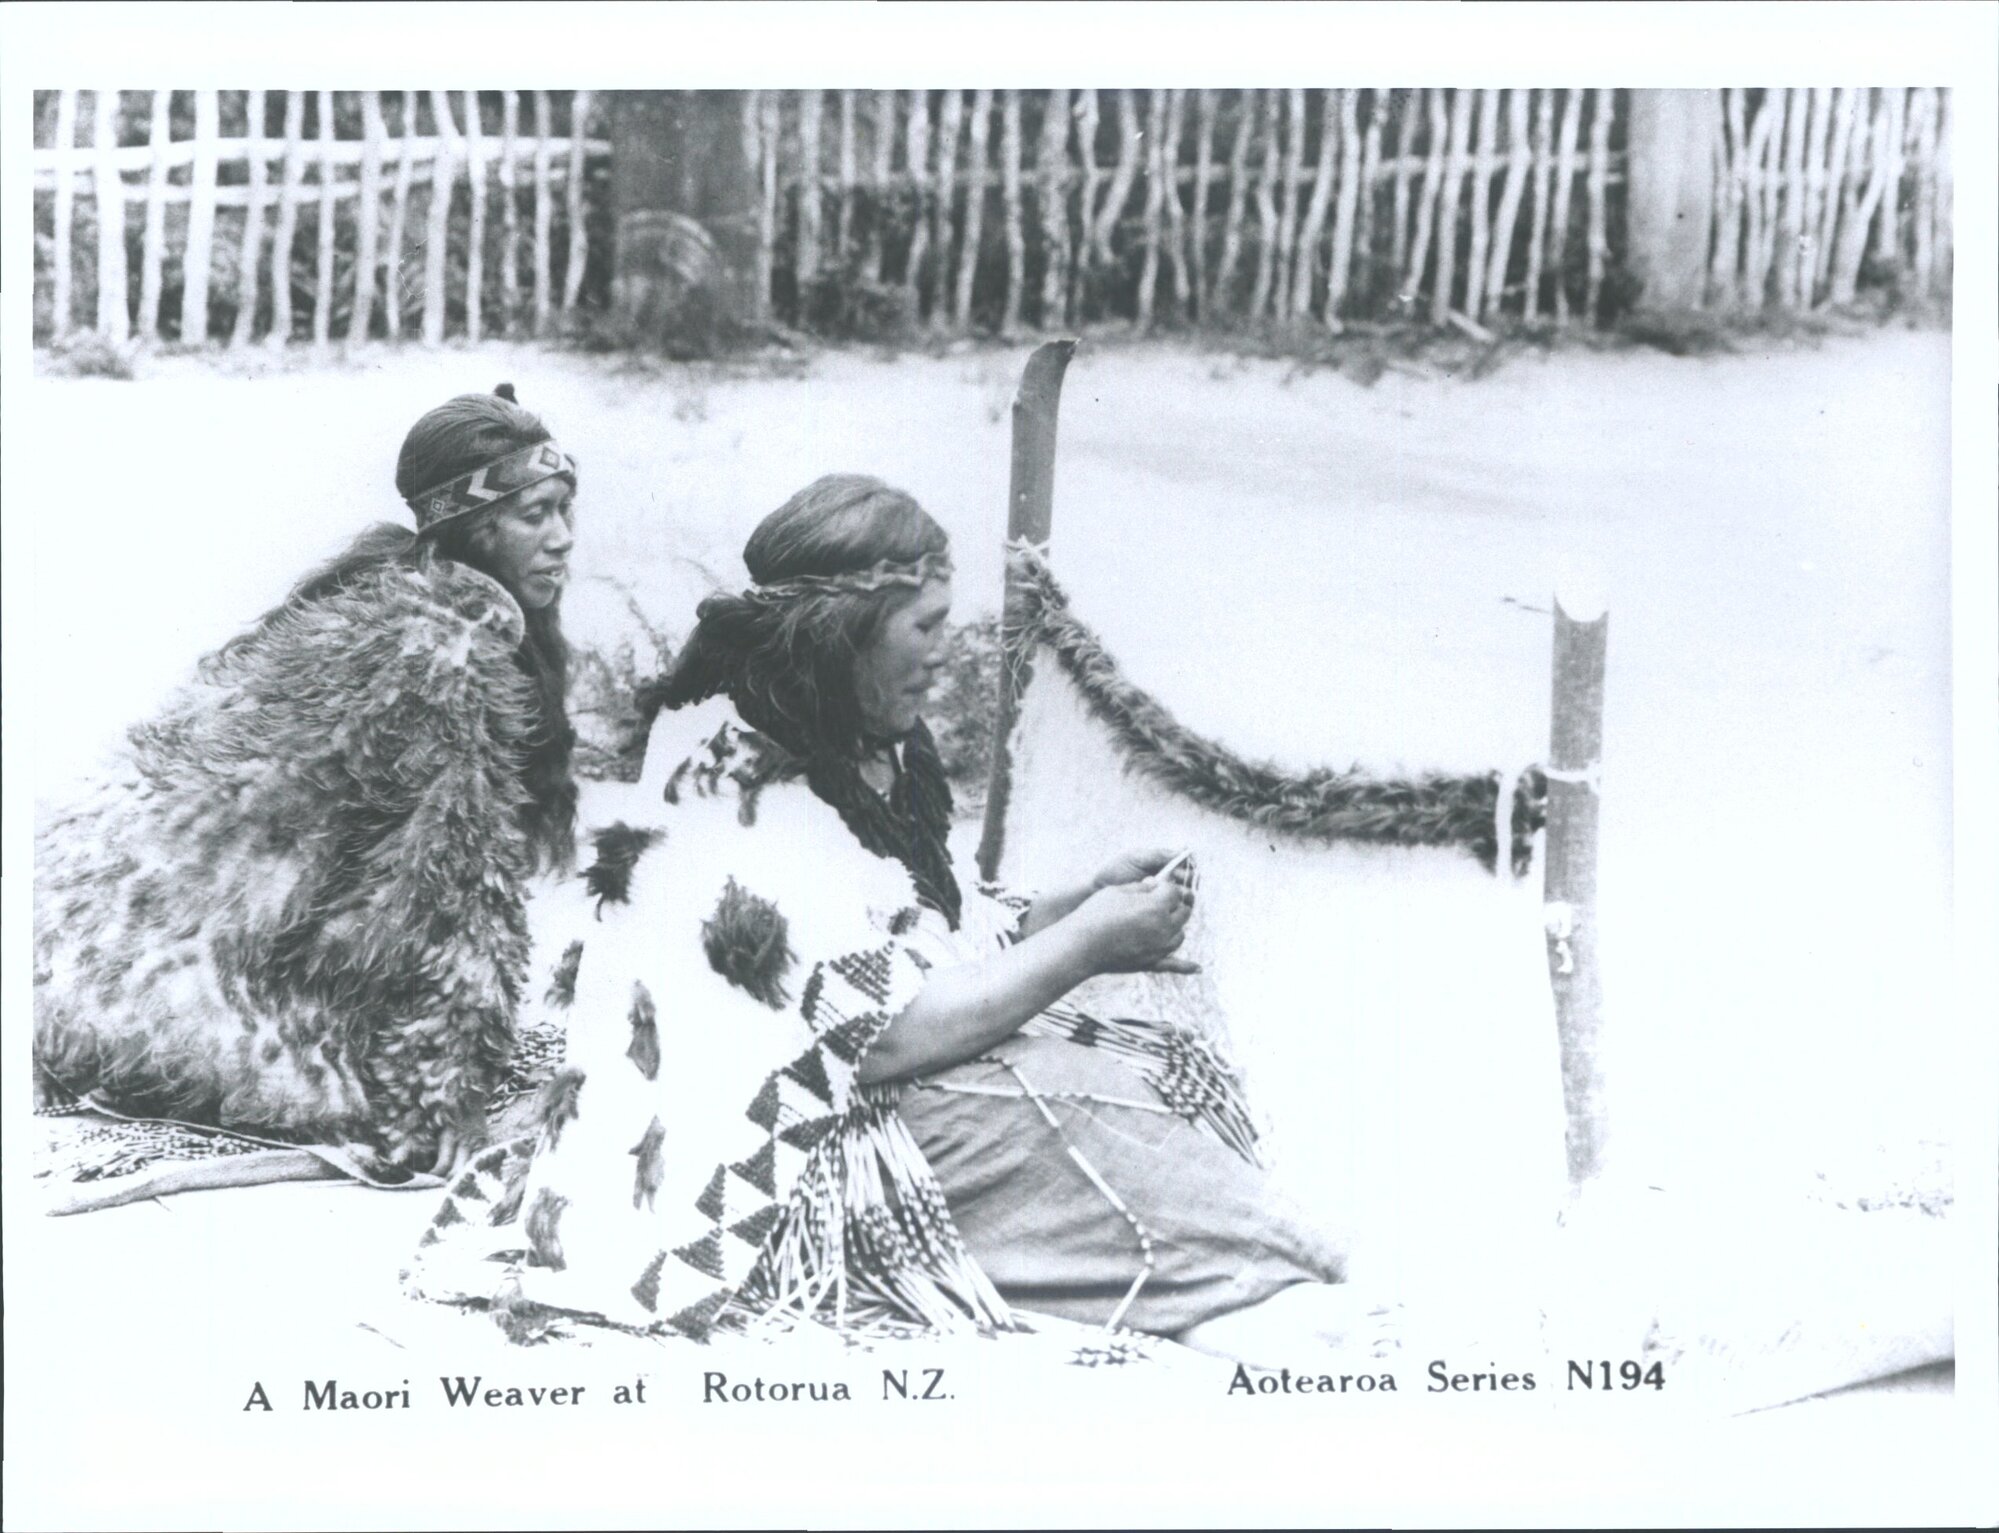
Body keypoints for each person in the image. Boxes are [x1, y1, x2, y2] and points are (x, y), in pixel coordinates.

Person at [407, 474, 1389, 1362]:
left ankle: (1240, 1249)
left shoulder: (865, 739)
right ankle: (1232, 1273)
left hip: (866, 1067)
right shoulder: (736, 781)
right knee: (1069, 1107)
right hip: (789, 1147)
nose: (939, 652)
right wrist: (1087, 942)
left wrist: (1076, 904)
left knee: (1144, 1053)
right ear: (842, 636)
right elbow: (872, 1044)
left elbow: (917, 925)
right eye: (919, 628)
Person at [35, 386, 581, 1204]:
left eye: (565, 510)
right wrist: (438, 1102)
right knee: (356, 1081)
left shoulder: (385, 595)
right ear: (472, 525)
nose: (562, 539)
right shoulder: (438, 644)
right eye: (536, 513)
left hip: (76, 936)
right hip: (149, 985)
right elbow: (451, 897)